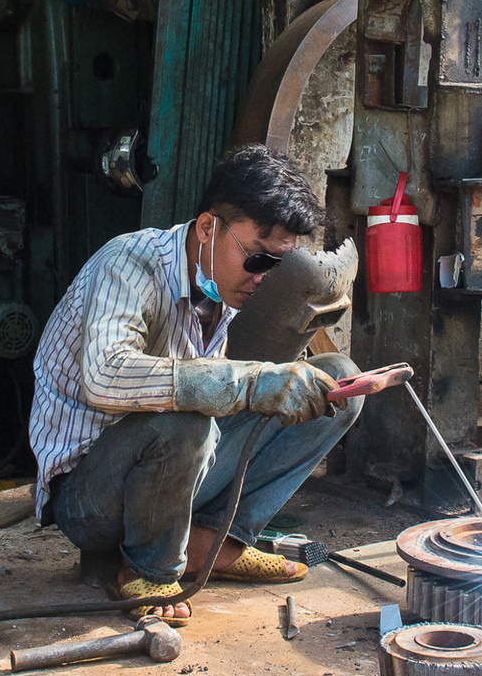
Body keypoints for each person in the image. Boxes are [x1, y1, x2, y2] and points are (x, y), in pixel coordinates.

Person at [29, 144, 362, 619]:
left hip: (170, 476)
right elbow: (105, 377)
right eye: (258, 259)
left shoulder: (220, 286)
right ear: (208, 228)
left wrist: (273, 384)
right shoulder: (128, 265)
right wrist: (247, 383)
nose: (265, 278)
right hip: (90, 497)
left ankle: (214, 540)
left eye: (278, 265)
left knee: (334, 385)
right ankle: (148, 569)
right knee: (187, 424)